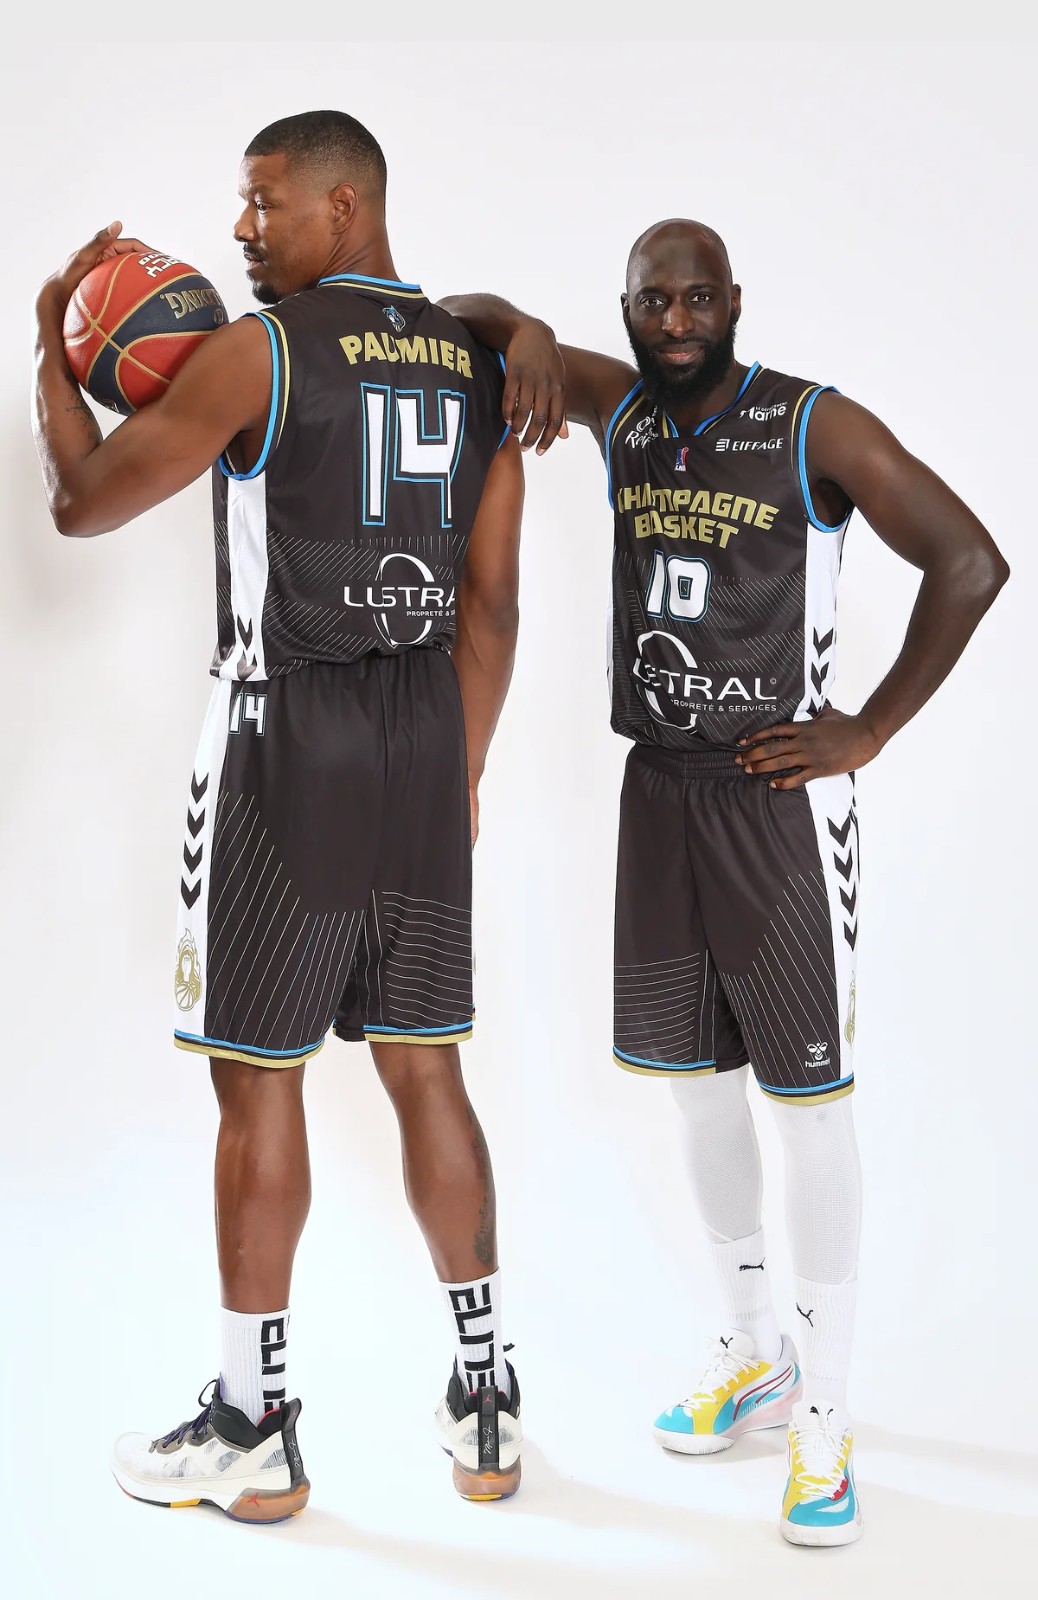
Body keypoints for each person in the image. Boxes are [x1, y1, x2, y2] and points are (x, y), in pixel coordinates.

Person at [442, 221, 1009, 1546]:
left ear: (735, 301)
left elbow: (971, 560)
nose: (679, 319)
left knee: (805, 1104)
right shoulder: (625, 411)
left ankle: (826, 1413)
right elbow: (463, 313)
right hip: (661, 792)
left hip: (776, 806)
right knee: (695, 1088)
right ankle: (751, 1349)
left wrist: (868, 728)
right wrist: (530, 334)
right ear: (627, 310)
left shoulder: (812, 424)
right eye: (654, 301)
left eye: (700, 297)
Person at [33, 109, 526, 1522]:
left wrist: (52, 346)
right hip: (424, 738)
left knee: (259, 1079)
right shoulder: (478, 361)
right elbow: (493, 603)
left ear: (342, 205)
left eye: (263, 203)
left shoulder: (264, 351)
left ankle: (253, 1428)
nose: (241, 231)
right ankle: (487, 1401)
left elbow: (81, 503)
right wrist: (461, 770)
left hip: (284, 736)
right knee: (427, 1070)